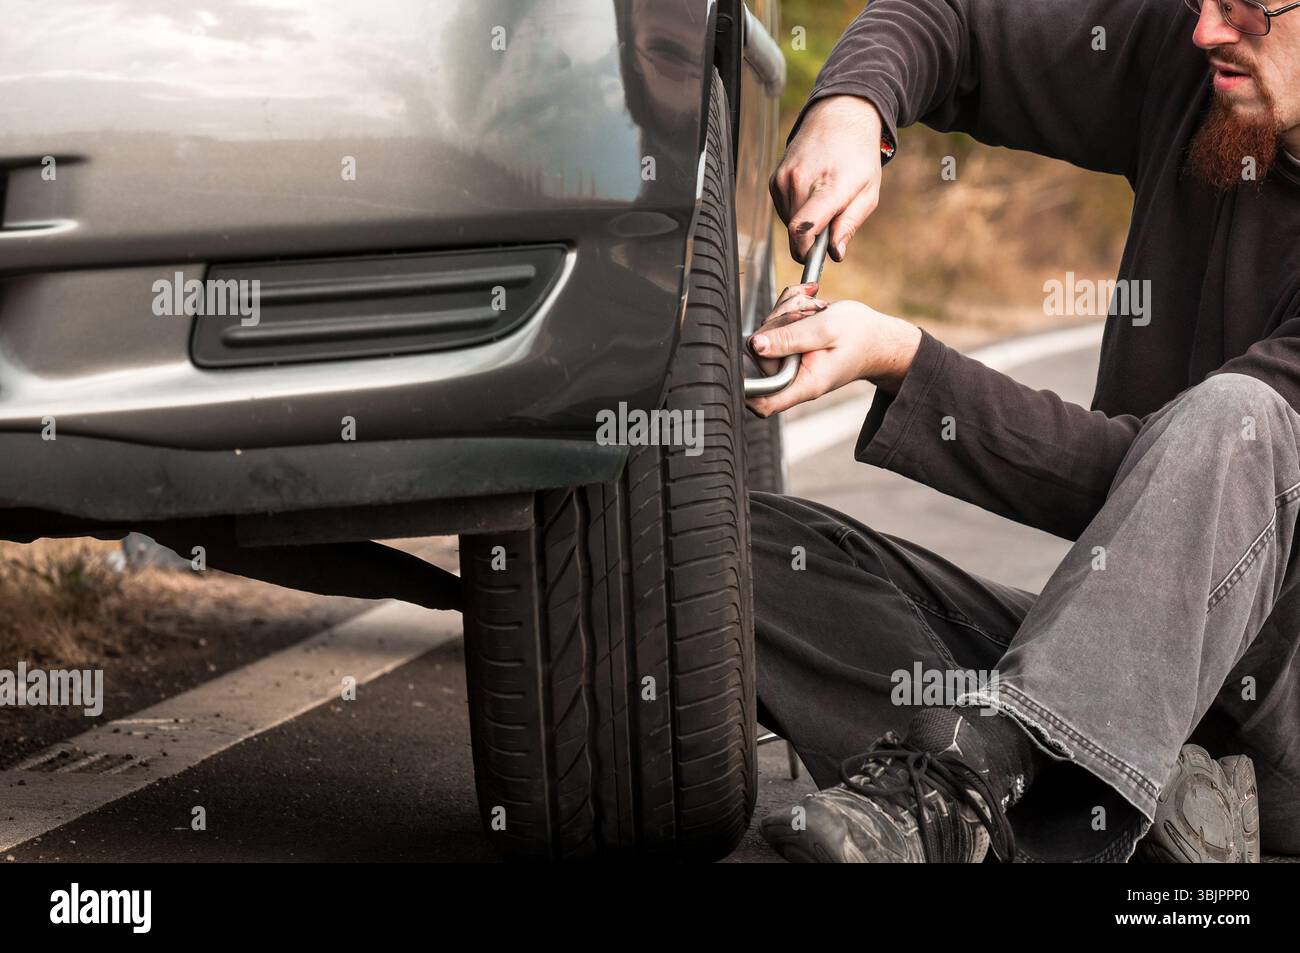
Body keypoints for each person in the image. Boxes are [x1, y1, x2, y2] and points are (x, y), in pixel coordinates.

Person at [747, 0, 1300, 862]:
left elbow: (1152, 480)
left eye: (1243, 8)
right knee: (729, 551)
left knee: (1237, 420)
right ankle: (1130, 788)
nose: (1204, 30)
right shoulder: (1202, 71)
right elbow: (953, 21)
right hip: (1115, 663)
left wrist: (901, 361)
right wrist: (853, 107)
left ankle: (965, 787)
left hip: (1279, 712)